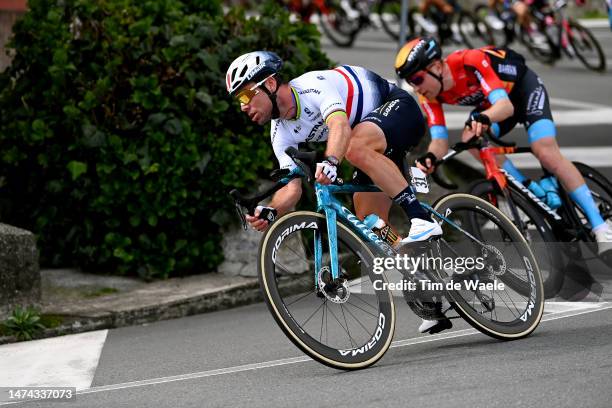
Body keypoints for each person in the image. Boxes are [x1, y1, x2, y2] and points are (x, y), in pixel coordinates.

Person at [225, 50, 447, 331]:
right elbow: (291, 189)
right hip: (368, 139)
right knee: (371, 223)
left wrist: (331, 162)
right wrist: (272, 210)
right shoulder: (279, 133)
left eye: (245, 95)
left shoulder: (311, 86)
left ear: (269, 84)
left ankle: (423, 220)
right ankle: (426, 285)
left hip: (397, 109)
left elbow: (339, 125)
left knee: (353, 146)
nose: (243, 106)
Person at [394, 36, 612, 260]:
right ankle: (528, 189)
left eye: (417, 79)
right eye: (411, 82)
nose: (415, 87)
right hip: (493, 104)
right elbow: (439, 141)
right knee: (470, 137)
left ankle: (600, 226)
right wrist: (430, 157)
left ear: (437, 67)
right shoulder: (427, 95)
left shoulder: (470, 61)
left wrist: (484, 117)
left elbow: (505, 106)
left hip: (523, 92)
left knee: (544, 150)